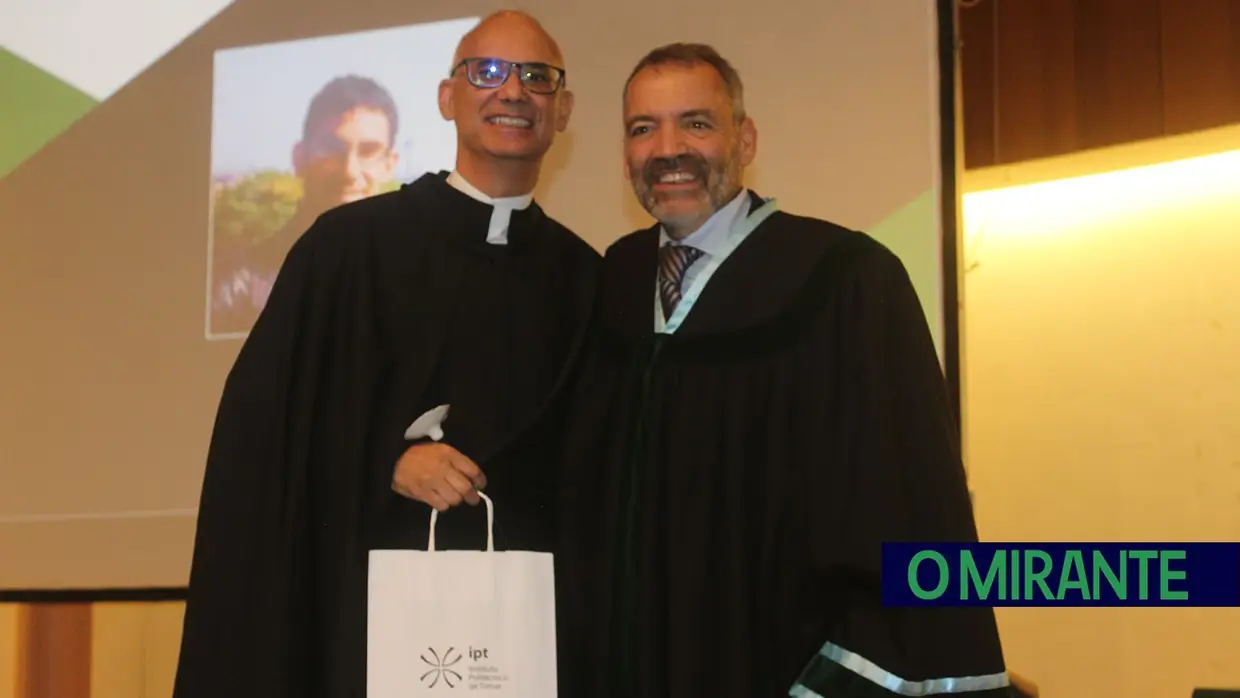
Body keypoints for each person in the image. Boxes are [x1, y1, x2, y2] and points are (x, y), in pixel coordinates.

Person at [557, 43, 1017, 698]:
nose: (667, 149)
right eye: (642, 128)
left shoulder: (845, 281)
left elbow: (912, 506)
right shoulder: (611, 286)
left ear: (744, 139)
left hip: (782, 671)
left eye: (696, 122)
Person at [174, 11, 597, 698]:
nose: (512, 91)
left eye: (536, 77)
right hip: (356, 630)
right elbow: (261, 434)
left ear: (564, 109)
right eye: (486, 72)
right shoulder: (346, 250)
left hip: (526, 640)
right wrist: (384, 461)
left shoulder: (585, 280)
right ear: (446, 98)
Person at [210, 75, 401, 334]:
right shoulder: (237, 287)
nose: (349, 171)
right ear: (299, 158)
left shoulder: (419, 280)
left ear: (389, 166)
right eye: (332, 148)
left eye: (368, 152)